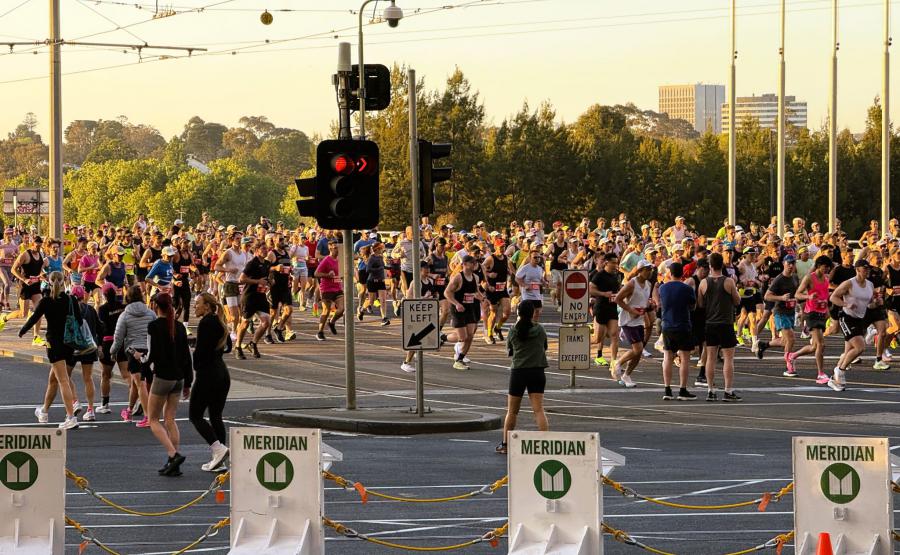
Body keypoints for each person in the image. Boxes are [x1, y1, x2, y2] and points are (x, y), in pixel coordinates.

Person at [19, 271, 80, 429]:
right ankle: (44, 411)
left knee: (63, 381)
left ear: (49, 282)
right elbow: (79, 320)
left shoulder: (46, 301)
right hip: (69, 342)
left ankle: (70, 416)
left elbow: (34, 318)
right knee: (53, 379)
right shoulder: (71, 299)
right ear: (64, 280)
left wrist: (23, 330)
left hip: (54, 343)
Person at [143, 293, 192, 476]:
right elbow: (187, 357)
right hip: (179, 377)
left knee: (153, 419)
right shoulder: (179, 327)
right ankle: (173, 463)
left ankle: (173, 454)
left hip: (163, 376)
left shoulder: (154, 326)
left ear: (155, 305)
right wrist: (188, 381)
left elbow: (151, 354)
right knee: (170, 419)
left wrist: (141, 360)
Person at [495, 301, 549, 455]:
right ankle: (546, 441)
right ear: (533, 313)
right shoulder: (539, 329)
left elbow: (509, 351)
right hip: (537, 371)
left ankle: (505, 444)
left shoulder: (513, 330)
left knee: (512, 411)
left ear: (518, 313)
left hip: (519, 372)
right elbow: (544, 347)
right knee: (538, 410)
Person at [190, 292, 232, 472]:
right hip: (222, 373)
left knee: (195, 415)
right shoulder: (219, 321)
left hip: (208, 374)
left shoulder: (206, 322)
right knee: (215, 415)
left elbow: (201, 353)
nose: (195, 306)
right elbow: (228, 345)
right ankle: (219, 457)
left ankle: (218, 448)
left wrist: (194, 357)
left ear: (206, 306)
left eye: (197, 303)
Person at [697, 252, 742, 402]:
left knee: (710, 357)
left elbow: (701, 304)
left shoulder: (703, 283)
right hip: (726, 323)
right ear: (722, 265)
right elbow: (737, 301)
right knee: (729, 358)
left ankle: (711, 390)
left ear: (710, 266)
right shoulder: (728, 281)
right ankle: (728, 390)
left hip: (710, 323)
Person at [110, 285, 156, 426]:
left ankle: (148, 417)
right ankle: (130, 410)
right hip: (149, 350)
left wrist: (113, 351)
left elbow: (118, 338)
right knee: (145, 383)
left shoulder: (125, 315)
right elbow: (156, 331)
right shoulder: (150, 313)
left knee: (139, 383)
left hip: (133, 351)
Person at [828, 259, 875, 392]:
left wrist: (876, 302)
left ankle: (834, 379)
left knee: (848, 352)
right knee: (860, 347)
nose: (867, 271)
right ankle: (840, 370)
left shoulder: (870, 285)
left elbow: (870, 304)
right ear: (857, 269)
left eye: (868, 269)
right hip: (847, 317)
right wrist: (846, 304)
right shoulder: (849, 283)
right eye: (865, 269)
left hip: (860, 319)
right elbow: (833, 297)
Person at [789, 256, 833, 383]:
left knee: (814, 346)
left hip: (822, 312)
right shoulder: (809, 278)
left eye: (828, 267)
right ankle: (820, 374)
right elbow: (797, 294)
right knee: (821, 344)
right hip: (811, 313)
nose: (827, 269)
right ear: (819, 265)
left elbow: (825, 296)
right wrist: (808, 296)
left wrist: (827, 311)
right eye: (825, 267)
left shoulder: (826, 279)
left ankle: (793, 356)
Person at [657, 262, 697, 400]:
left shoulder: (663, 288)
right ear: (682, 274)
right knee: (685, 358)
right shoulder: (687, 288)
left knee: (667, 357)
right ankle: (682, 389)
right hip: (683, 325)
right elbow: (692, 305)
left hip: (667, 325)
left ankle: (667, 389)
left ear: (670, 273)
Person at [613, 259, 655, 387]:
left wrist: (649, 306)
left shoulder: (648, 284)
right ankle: (618, 362)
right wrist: (631, 310)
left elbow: (643, 300)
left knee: (638, 353)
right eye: (647, 269)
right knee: (638, 349)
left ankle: (627, 375)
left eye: (650, 269)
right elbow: (618, 299)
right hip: (628, 320)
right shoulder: (632, 283)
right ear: (640, 271)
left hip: (639, 320)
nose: (649, 272)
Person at [758, 255, 800, 376]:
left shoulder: (795, 278)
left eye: (793, 263)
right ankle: (789, 366)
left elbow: (796, 294)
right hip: (780, 312)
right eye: (789, 263)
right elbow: (767, 296)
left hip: (790, 311)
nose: (791, 265)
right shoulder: (779, 279)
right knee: (791, 339)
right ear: (783, 263)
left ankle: (764, 345)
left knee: (785, 341)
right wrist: (781, 298)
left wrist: (798, 304)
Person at [97, 282, 131, 415]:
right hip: (122, 342)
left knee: (106, 375)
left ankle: (105, 404)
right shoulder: (123, 307)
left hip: (107, 342)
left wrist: (99, 344)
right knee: (126, 374)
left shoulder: (102, 309)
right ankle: (136, 400)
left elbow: (101, 327)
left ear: (104, 295)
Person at [314, 239, 345, 341]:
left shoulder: (340, 259)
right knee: (326, 311)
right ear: (330, 248)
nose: (337, 250)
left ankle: (331, 322)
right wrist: (327, 275)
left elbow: (342, 273)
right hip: (326, 288)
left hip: (337, 288)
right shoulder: (326, 260)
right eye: (335, 248)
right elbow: (316, 274)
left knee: (341, 309)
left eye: (338, 248)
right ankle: (320, 332)